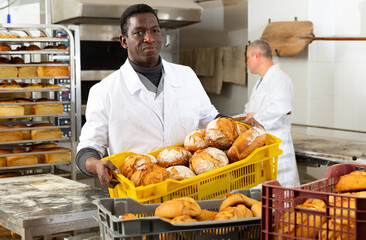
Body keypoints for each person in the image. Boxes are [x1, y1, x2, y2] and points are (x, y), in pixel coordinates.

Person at [76, 4, 221, 188]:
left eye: (155, 31)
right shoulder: (105, 91)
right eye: (139, 32)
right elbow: (86, 150)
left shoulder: (186, 76)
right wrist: (97, 165)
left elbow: (211, 120)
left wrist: (241, 125)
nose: (150, 38)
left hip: (190, 189)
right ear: (124, 41)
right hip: (138, 194)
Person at [244, 39, 300, 187]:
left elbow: (280, 107)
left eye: (247, 57)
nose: (247, 63)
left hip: (279, 146)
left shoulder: (280, 79)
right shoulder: (260, 82)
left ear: (257, 55)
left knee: (283, 195)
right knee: (265, 196)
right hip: (264, 147)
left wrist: (254, 118)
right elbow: (250, 110)